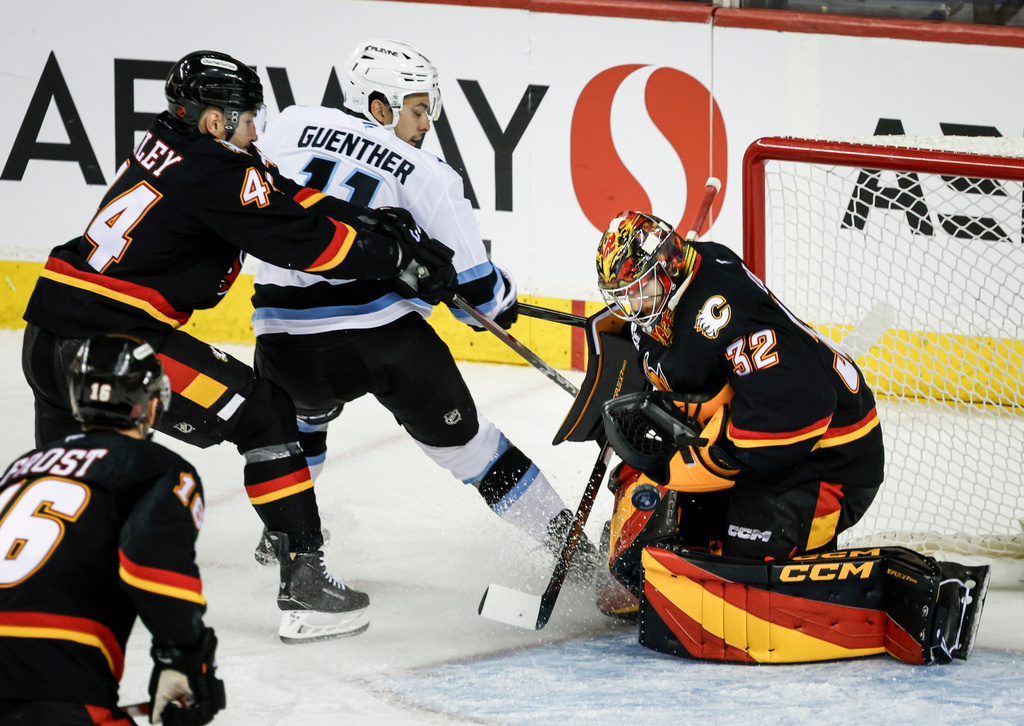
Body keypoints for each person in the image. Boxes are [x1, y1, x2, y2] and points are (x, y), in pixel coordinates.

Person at [19, 50, 457, 643]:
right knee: (267, 414)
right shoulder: (216, 173)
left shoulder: (173, 140)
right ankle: (305, 587)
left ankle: (51, 598)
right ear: (212, 121)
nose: (256, 129)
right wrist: (396, 260)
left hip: (48, 338)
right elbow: (296, 240)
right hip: (116, 349)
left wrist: (370, 223)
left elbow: (280, 195)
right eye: (247, 117)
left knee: (72, 473)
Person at [250, 39, 597, 587]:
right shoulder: (427, 173)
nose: (426, 122)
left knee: (299, 424)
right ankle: (578, 559)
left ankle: (286, 540)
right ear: (379, 108)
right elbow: (479, 298)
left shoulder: (287, 126)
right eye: (417, 108)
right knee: (474, 450)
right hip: (383, 343)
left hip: (284, 338)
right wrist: (501, 298)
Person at [592, 211, 990, 665]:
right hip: (776, 444)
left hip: (829, 464)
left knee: (740, 572)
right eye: (624, 296)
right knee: (659, 503)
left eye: (639, 290)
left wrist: (701, 462)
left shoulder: (721, 315)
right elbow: (697, 373)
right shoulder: (694, 276)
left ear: (666, 268)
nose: (633, 306)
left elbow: (799, 411)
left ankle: (916, 596)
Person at [0, 334, 225, 725]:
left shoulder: (23, 466)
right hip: (55, 671)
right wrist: (184, 657)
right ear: (151, 406)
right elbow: (152, 567)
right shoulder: (156, 467)